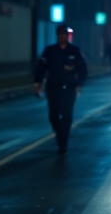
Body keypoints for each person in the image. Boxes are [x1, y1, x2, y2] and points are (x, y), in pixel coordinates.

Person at [33, 24, 89, 154]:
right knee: (53, 114)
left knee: (66, 115)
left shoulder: (75, 51)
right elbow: (41, 67)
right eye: (60, 34)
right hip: (53, 87)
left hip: (69, 87)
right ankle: (59, 133)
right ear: (57, 36)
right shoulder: (50, 51)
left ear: (67, 36)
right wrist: (38, 82)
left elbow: (83, 69)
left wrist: (80, 83)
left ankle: (63, 142)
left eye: (64, 34)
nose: (62, 37)